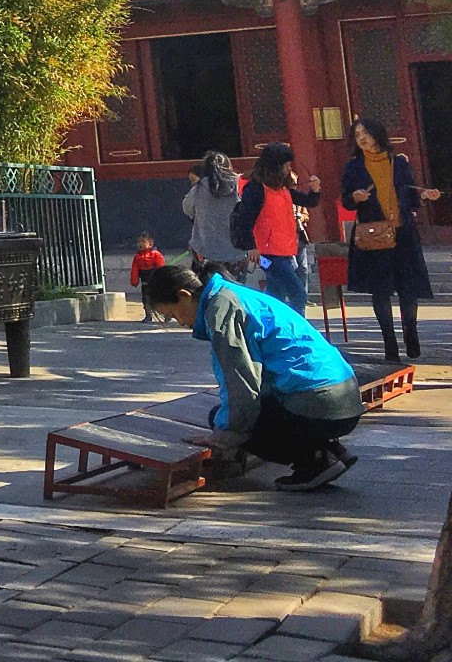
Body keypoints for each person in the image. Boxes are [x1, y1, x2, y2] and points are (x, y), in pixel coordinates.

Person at [142, 263, 364, 491]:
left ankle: (314, 460)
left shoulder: (221, 309)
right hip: (345, 398)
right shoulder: (232, 294)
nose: (180, 322)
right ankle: (331, 451)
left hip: (322, 403)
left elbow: (241, 382)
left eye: (172, 314)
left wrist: (224, 437)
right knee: (232, 415)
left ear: (184, 295)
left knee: (229, 421)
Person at [342, 116, 442, 361]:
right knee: (380, 291)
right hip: (374, 237)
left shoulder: (399, 163)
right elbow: (345, 199)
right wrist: (355, 197)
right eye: (357, 135)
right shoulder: (353, 167)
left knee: (408, 290)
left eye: (365, 132)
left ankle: (411, 331)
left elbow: (411, 196)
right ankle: (389, 343)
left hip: (403, 234)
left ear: (377, 133)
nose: (362, 138)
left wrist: (426, 196)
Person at [237, 142, 321, 313]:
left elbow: (309, 201)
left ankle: (270, 332)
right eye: (286, 165)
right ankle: (296, 331)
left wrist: (316, 190)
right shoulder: (256, 189)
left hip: (284, 250)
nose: (289, 169)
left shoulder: (283, 189)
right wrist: (251, 247)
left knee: (276, 297)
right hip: (267, 253)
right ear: (275, 166)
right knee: (298, 295)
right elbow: (244, 219)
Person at [183, 152, 245, 278]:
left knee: (208, 287)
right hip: (237, 249)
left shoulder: (199, 187)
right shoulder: (241, 184)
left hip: (206, 249)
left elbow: (187, 209)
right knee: (236, 286)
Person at [130, 232, 167, 320]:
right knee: (146, 299)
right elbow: (134, 270)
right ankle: (148, 315)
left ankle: (166, 314)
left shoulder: (156, 254)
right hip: (144, 281)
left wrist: (161, 279)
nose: (140, 244)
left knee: (160, 299)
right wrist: (134, 281)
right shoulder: (137, 257)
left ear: (150, 244)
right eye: (138, 242)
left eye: (143, 242)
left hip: (155, 282)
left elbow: (161, 268)